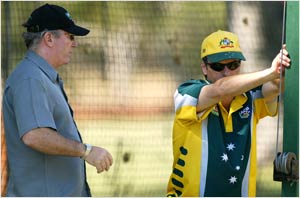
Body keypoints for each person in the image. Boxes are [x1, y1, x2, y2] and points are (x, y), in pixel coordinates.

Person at [2, 4, 113, 196]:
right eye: (70, 36)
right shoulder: (31, 78)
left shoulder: (41, 76)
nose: (74, 43)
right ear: (49, 38)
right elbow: (34, 135)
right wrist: (86, 151)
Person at [166, 30, 291, 197]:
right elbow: (220, 89)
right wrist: (270, 72)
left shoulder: (250, 95)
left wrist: (288, 60)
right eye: (218, 66)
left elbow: (276, 85)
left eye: (233, 65)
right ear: (204, 67)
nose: (227, 72)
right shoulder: (188, 93)